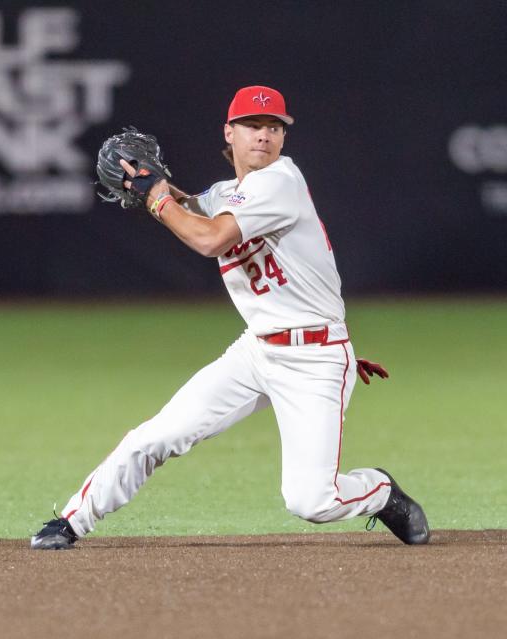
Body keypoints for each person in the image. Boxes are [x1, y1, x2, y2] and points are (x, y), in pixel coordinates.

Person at [30, 85, 429, 549]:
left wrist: (157, 197)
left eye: (274, 127)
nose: (264, 135)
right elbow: (192, 205)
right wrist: (148, 184)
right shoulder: (228, 192)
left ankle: (380, 491)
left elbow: (208, 238)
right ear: (230, 133)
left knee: (311, 501)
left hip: (316, 358)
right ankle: (72, 521)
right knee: (158, 434)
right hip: (257, 351)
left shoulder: (280, 181)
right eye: (252, 126)